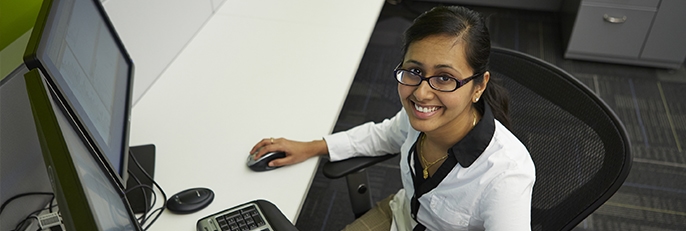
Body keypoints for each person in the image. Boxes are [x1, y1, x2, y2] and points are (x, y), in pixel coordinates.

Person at [249, 5, 535, 231]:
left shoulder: (505, 175)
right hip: (400, 217)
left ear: (479, 86)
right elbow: (382, 135)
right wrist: (312, 147)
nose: (422, 93)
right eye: (414, 71)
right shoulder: (419, 120)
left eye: (445, 78)